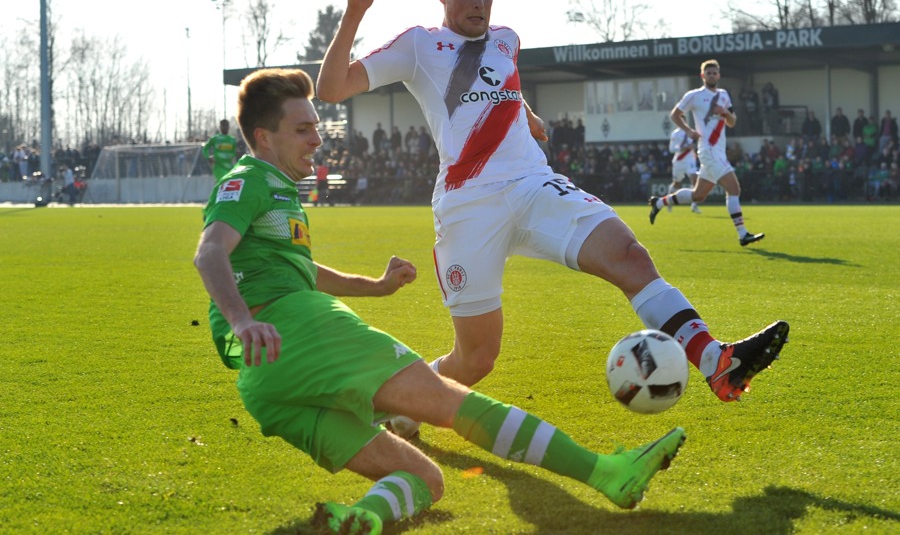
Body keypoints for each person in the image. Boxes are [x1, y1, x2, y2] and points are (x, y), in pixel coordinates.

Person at [316, 0, 789, 440]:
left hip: (533, 183)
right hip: (468, 205)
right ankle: (403, 408)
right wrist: (355, 12)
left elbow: (500, 83)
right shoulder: (418, 45)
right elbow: (331, 90)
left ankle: (716, 361)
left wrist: (527, 114)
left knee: (629, 255)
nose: (480, 3)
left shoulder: (506, 39)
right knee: (476, 358)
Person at [193, 67, 687, 535]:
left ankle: (359, 520)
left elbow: (298, 271)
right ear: (263, 137)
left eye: (316, 127)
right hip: (294, 330)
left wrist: (376, 285)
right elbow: (210, 251)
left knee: (426, 480)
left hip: (266, 382)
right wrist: (242, 319)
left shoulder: (278, 191)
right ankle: (606, 472)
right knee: (452, 402)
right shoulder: (249, 181)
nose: (317, 139)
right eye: (303, 129)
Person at [649, 59, 766, 247]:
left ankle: (659, 203)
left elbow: (732, 121)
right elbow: (674, 114)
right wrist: (688, 131)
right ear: (702, 76)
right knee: (734, 189)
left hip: (719, 151)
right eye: (708, 73)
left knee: (698, 196)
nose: (712, 76)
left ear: (718, 75)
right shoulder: (694, 95)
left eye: (714, 73)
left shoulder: (724, 95)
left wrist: (725, 113)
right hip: (708, 150)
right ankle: (742, 234)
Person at [666, 128, 702, 214]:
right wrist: (682, 148)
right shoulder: (675, 133)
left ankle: (694, 205)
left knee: (695, 180)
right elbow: (671, 149)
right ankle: (668, 200)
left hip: (690, 159)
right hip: (679, 160)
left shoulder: (690, 131)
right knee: (677, 184)